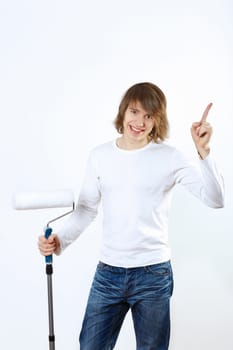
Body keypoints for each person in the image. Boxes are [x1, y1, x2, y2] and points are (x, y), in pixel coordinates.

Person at [38, 82, 224, 350]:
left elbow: (215, 199)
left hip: (153, 274)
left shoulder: (170, 157)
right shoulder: (100, 156)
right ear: (123, 111)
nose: (140, 121)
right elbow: (87, 209)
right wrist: (60, 240)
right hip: (108, 273)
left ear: (157, 120)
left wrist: (203, 153)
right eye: (134, 112)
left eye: (149, 116)